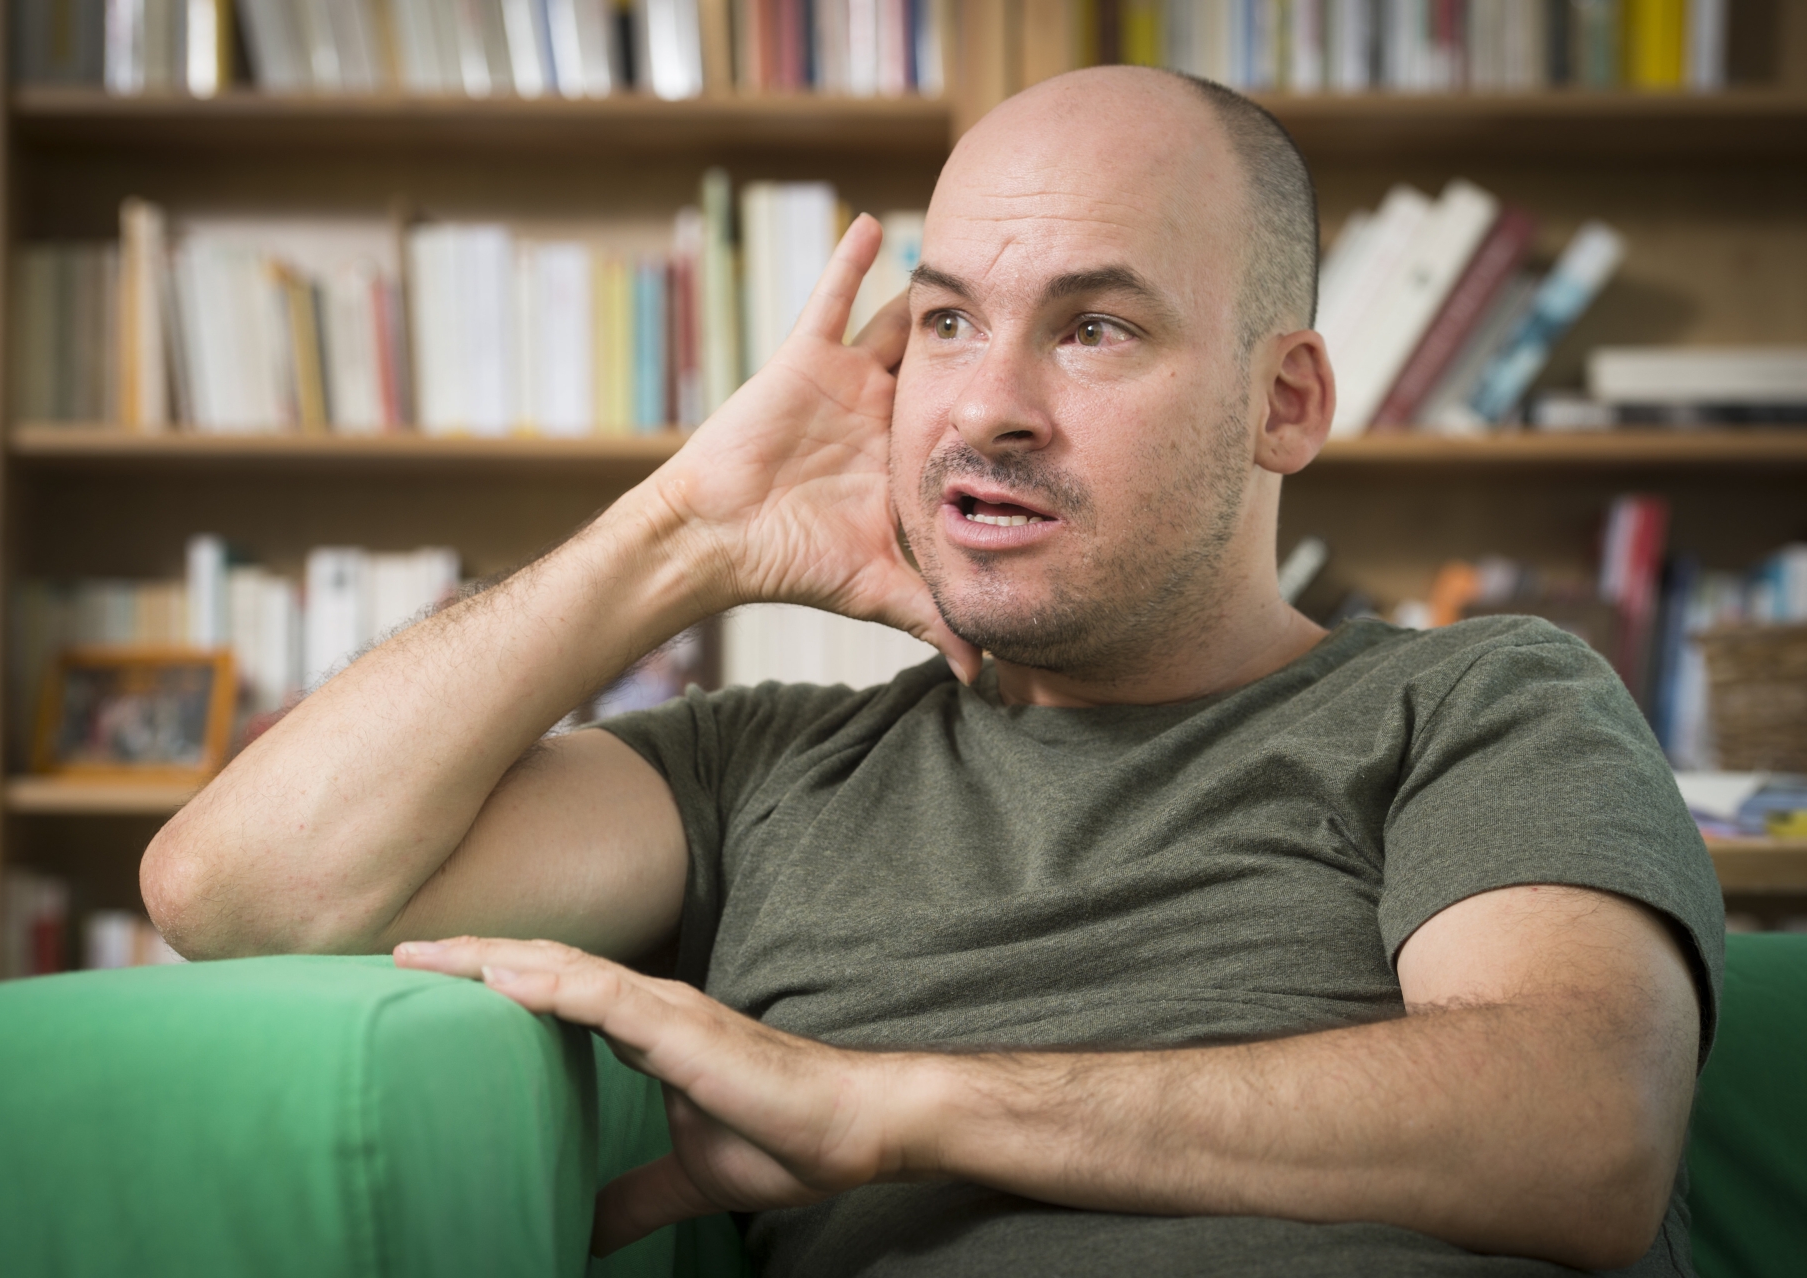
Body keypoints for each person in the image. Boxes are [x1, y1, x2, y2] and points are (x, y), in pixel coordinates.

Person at [143, 67, 1722, 1277]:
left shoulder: (1480, 701)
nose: (988, 407)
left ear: (1286, 402)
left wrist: (887, 1106)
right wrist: (686, 528)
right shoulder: (756, 771)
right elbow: (237, 888)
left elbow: (1585, 1125)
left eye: (1095, 329)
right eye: (948, 322)